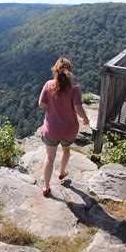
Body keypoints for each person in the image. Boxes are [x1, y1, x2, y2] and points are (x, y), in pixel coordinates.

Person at [38, 57, 89, 197]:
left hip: (51, 130)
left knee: (49, 158)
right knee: (66, 150)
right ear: (69, 72)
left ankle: (46, 187)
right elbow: (78, 107)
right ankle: (61, 173)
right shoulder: (75, 89)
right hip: (69, 130)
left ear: (55, 71)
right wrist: (85, 118)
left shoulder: (48, 85)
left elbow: (41, 105)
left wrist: (51, 103)